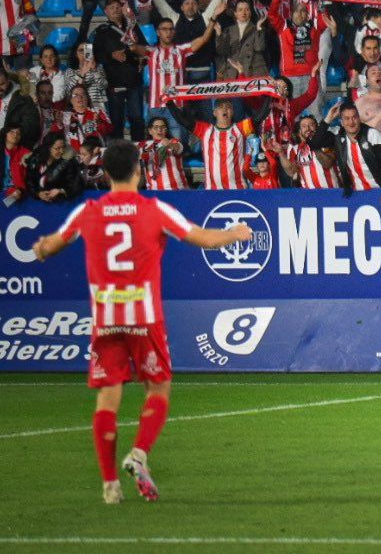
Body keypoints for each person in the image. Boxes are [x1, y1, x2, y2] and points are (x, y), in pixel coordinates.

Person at [29, 139, 253, 504]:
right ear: (138, 170)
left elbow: (51, 245)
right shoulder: (153, 209)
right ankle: (138, 453)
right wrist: (235, 233)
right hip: (144, 317)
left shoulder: (89, 211)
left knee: (108, 397)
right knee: (159, 388)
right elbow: (202, 238)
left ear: (104, 173)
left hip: (106, 318)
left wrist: (41, 247)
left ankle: (109, 485)